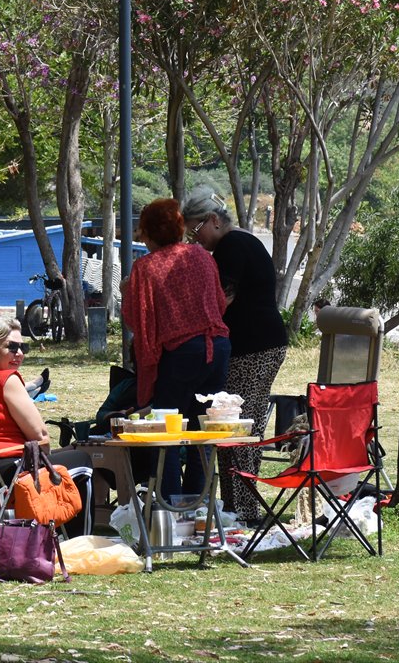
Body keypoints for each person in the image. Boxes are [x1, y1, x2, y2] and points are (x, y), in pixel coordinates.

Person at [183, 189, 289, 523]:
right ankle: (234, 507)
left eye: (195, 229)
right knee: (233, 427)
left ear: (214, 220)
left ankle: (244, 510)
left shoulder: (231, 246)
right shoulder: (240, 242)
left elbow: (221, 300)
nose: (195, 239)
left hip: (254, 347)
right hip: (254, 345)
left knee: (240, 427)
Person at [122, 197, 230, 497]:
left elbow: (135, 317)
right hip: (218, 347)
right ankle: (198, 503)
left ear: (148, 232)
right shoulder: (202, 256)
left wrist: (126, 291)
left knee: (166, 428)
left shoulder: (145, 267)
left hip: (183, 352)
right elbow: (219, 304)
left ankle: (171, 505)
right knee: (203, 429)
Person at [0, 315, 92, 536]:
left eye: (23, 347)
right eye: (11, 347)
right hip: (7, 472)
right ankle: (76, 541)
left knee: (68, 454)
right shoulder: (5, 379)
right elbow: (41, 436)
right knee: (82, 460)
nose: (19, 353)